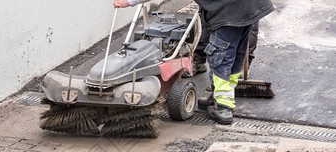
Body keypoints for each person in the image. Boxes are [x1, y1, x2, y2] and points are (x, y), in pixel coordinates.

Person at [113, 0, 274, 125]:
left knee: (221, 59)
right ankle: (219, 97)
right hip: (251, 8)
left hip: (228, 11)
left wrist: (130, 2)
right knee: (236, 55)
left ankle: (224, 108)